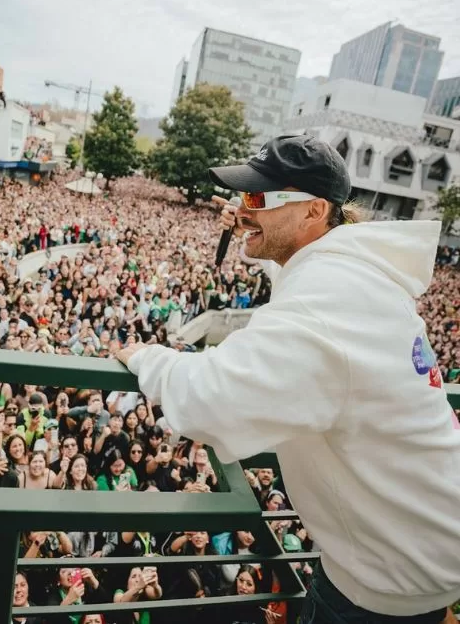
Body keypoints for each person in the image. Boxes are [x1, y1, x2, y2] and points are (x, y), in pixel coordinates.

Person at [115, 135, 460, 621]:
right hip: (411, 557)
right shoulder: (353, 275)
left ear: (314, 210)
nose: (242, 207)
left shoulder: (327, 307)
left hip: (383, 589)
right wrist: (257, 225)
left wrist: (147, 357)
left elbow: (210, 398)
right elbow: (305, 287)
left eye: (257, 197)